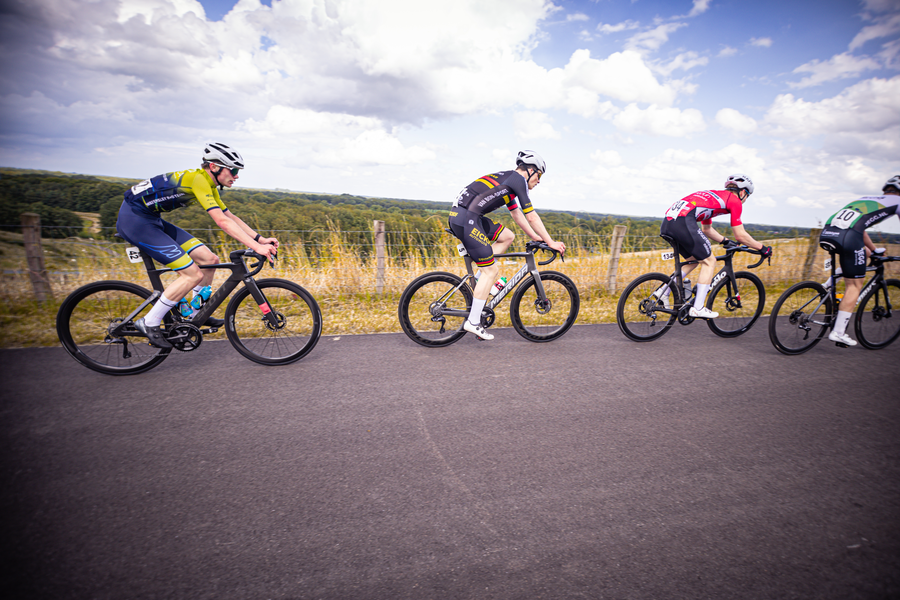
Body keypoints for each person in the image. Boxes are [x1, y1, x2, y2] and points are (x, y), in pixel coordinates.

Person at [117, 142, 279, 348]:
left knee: (210, 260)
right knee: (192, 274)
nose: (236, 175)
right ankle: (149, 322)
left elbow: (229, 216)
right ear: (214, 167)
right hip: (135, 221)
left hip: (151, 219)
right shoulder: (199, 181)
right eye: (234, 170)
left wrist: (259, 240)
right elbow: (222, 223)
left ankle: (195, 314)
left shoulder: (207, 183)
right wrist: (256, 248)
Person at [448, 150, 566, 340]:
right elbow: (531, 215)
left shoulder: (509, 181)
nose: (539, 181)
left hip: (465, 217)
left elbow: (517, 214)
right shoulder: (518, 181)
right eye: (540, 175)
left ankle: (479, 280)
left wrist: (536, 237)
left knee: (507, 237)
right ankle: (473, 321)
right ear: (530, 170)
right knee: (491, 271)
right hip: (466, 220)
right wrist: (550, 241)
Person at [659, 174, 773, 319]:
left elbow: (707, 229)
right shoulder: (734, 200)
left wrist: (725, 241)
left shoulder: (714, 197)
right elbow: (740, 235)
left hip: (668, 224)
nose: (745, 200)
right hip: (683, 223)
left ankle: (662, 292)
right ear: (743, 192)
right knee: (709, 261)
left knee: (694, 260)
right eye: (747, 196)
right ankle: (698, 308)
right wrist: (762, 248)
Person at [818, 175, 900, 346]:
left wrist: (874, 250)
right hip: (849, 236)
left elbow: (859, 228)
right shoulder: (897, 202)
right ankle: (839, 332)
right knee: (855, 284)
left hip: (827, 233)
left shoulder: (867, 198)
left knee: (862, 255)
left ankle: (826, 286)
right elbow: (856, 231)